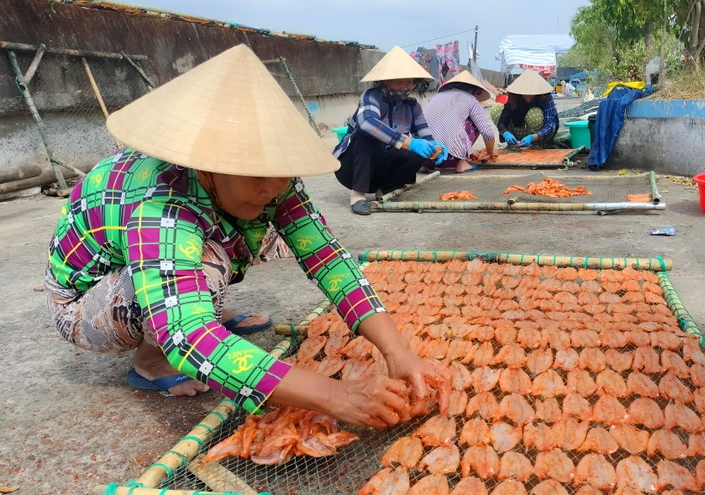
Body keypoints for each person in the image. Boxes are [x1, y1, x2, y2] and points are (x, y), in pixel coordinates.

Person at [44, 45, 447, 429]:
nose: (273, 187)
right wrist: (335, 395)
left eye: (281, 174)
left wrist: (398, 351)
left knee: (273, 233)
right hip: (85, 303)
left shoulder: (273, 178)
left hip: (155, 261)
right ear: (207, 166)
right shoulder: (160, 198)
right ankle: (150, 363)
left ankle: (201, 302)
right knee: (205, 267)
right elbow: (190, 338)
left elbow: (328, 257)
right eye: (257, 175)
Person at [333, 46, 447, 216]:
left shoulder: (412, 106)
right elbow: (367, 123)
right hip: (351, 168)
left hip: (381, 168)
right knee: (367, 138)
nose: (405, 85)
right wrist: (409, 142)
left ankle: (384, 190)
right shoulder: (372, 95)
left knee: (417, 153)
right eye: (400, 80)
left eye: (409, 81)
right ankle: (357, 196)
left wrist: (434, 147)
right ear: (385, 80)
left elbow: (424, 134)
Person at [423, 70, 496, 172]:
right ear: (476, 92)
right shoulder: (470, 99)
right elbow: (487, 132)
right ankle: (461, 163)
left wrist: (469, 151)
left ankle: (425, 166)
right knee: (474, 124)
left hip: (423, 156)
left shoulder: (436, 97)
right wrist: (490, 153)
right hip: (447, 158)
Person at [490, 69, 559, 149]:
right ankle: (514, 142)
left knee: (534, 113)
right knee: (497, 108)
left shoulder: (545, 97)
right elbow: (502, 122)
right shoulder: (514, 97)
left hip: (541, 134)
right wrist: (506, 133)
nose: (528, 96)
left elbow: (549, 125)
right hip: (521, 131)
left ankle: (537, 144)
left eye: (531, 93)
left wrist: (533, 137)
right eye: (525, 93)